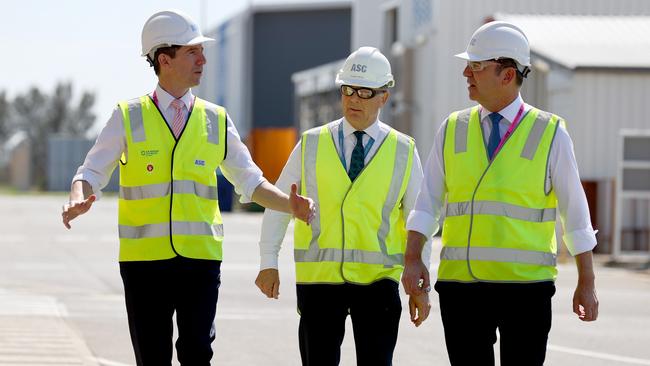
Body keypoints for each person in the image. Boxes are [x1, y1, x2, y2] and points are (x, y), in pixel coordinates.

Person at [60, 9, 314, 366]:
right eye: (192, 51)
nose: (203, 59)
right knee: (152, 357)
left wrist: (291, 205)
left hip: (200, 262)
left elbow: (251, 182)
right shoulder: (128, 116)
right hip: (144, 265)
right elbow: (90, 171)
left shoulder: (216, 120)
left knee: (198, 353)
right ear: (165, 59)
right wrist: (77, 197)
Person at [401, 21, 599, 366]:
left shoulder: (549, 133)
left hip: (526, 291)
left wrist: (587, 281)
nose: (466, 72)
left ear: (507, 75)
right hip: (461, 289)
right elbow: (426, 203)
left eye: (476, 66)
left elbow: (576, 214)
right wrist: (413, 257)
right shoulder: (452, 129)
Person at [254, 46, 431, 366]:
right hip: (320, 282)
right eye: (347, 89)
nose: (353, 99)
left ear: (384, 97)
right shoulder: (311, 143)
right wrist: (269, 260)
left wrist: (420, 283)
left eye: (365, 92)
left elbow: (418, 220)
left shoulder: (404, 151)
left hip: (378, 283)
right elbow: (280, 202)